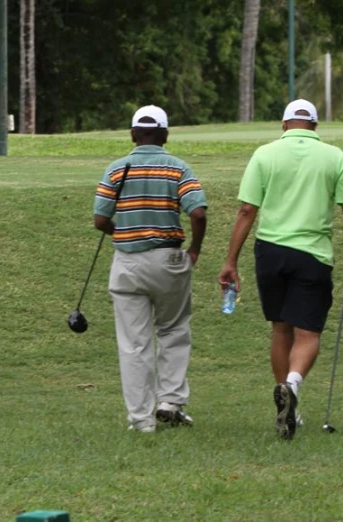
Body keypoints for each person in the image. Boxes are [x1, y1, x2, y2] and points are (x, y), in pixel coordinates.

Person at [218, 99, 343, 440]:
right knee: (308, 334)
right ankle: (293, 386)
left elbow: (246, 212)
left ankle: (288, 406)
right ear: (314, 127)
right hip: (312, 254)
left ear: (284, 125)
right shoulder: (333, 156)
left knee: (280, 329)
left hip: (270, 252)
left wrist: (230, 261)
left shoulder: (264, 154)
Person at [94, 105, 207, 433]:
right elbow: (198, 213)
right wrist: (195, 249)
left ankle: (141, 420)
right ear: (166, 135)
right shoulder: (178, 168)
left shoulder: (116, 169)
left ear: (132, 134)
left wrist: (124, 231)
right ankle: (170, 401)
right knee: (173, 330)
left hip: (128, 262)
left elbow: (100, 219)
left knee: (134, 344)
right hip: (168, 260)